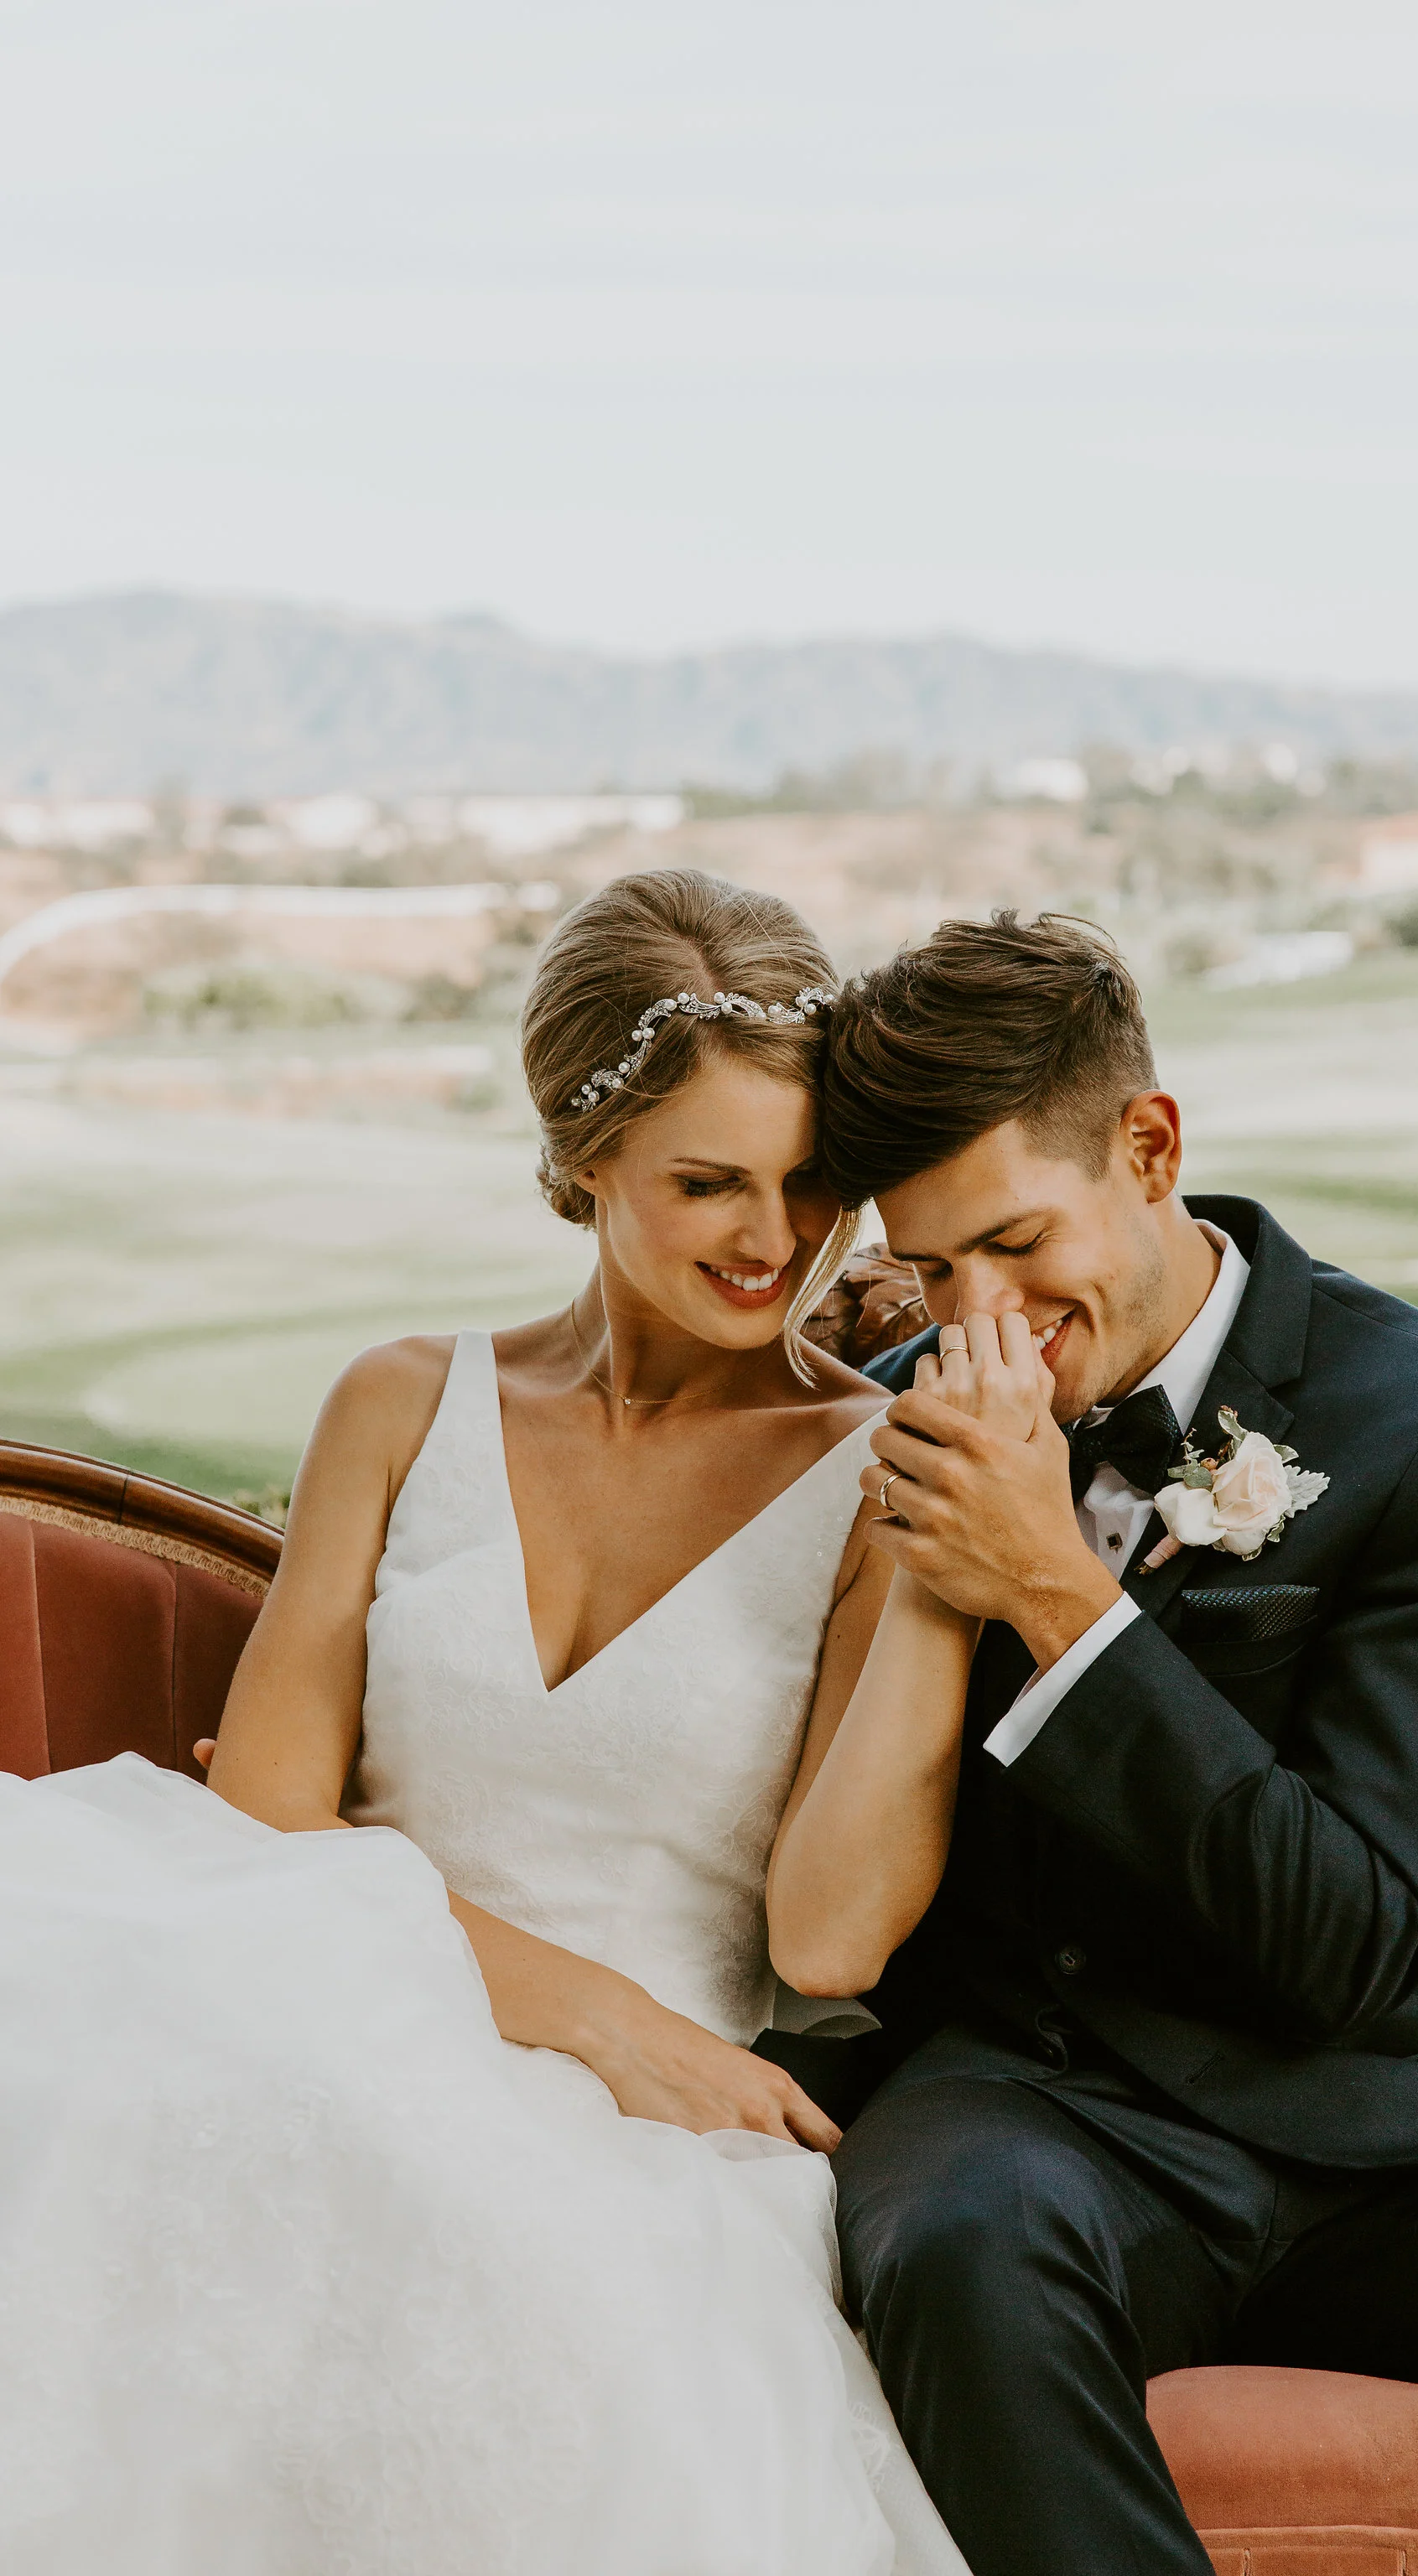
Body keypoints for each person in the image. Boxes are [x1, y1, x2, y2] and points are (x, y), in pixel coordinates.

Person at [0, 869, 973, 2575]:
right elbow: (267, 1821)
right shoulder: (400, 1402)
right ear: (583, 1156)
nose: (778, 1237)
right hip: (319, 2012)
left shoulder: (877, 1483)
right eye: (708, 1182)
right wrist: (594, 2012)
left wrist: (952, 1570)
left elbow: (832, 1939)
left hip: (651, 2135)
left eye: (814, 1181)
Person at [801, 908, 1418, 2576]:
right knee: (956, 2250)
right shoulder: (903, 1417)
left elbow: (1350, 1942)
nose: (978, 1317)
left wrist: (1053, 1586)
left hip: (1386, 2126)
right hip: (1031, 2110)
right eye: (932, 1270)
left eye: (1015, 1241)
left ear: (1149, 1148)